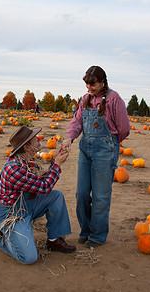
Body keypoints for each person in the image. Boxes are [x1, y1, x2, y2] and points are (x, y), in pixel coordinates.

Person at [61, 66, 130, 248]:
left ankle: (98, 235)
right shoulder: (86, 99)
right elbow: (77, 121)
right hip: (85, 150)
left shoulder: (114, 99)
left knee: (100, 196)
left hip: (105, 151)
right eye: (87, 84)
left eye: (93, 84)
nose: (89, 88)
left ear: (102, 82)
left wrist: (111, 144)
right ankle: (86, 230)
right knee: (81, 193)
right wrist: (69, 138)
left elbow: (123, 128)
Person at [0, 125, 76, 264]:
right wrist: (57, 165)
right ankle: (1, 236)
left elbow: (42, 179)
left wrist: (56, 159)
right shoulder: (13, 169)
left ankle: (54, 240)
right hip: (11, 215)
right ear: (27, 147)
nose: (38, 139)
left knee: (56, 196)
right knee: (29, 258)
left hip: (26, 206)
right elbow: (44, 187)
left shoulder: (28, 162)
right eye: (34, 139)